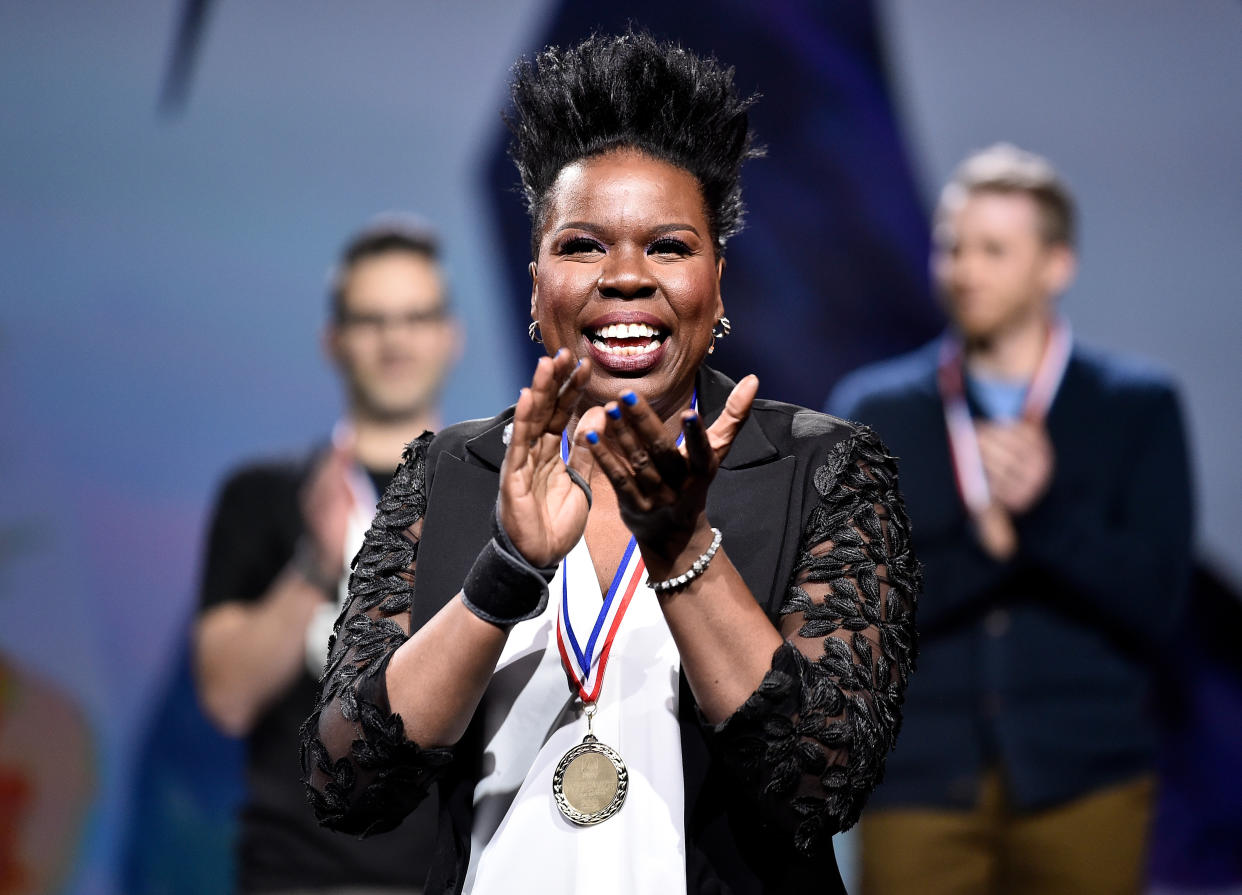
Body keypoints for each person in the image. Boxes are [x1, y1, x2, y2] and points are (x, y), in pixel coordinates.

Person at [301, 33, 920, 895]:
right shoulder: (448, 473)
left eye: (668, 246)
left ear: (717, 282)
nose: (626, 277)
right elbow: (349, 779)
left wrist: (681, 553)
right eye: (584, 245)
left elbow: (818, 782)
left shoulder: (824, 471)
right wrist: (505, 573)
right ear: (534, 285)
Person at [829, 144, 1194, 894]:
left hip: (1086, 778)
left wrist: (1046, 517)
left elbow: (1159, 602)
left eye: (994, 249)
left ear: (1056, 265)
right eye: (952, 246)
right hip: (921, 781)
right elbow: (852, 611)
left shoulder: (1135, 405)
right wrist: (987, 551)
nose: (965, 269)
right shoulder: (877, 410)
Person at [194, 217, 461, 894]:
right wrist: (314, 563)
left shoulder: (504, 507)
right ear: (333, 339)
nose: (395, 338)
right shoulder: (264, 498)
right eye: (371, 319)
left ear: (449, 336)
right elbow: (227, 696)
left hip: (451, 876)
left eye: (415, 316)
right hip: (295, 876)